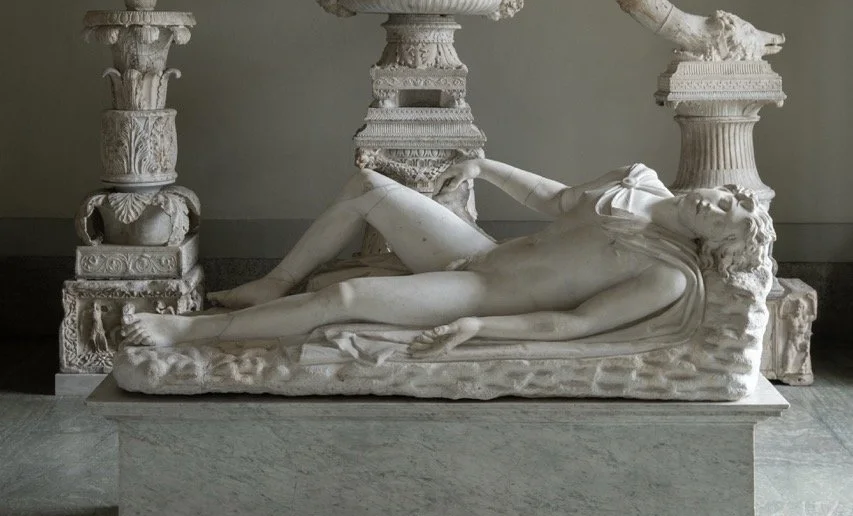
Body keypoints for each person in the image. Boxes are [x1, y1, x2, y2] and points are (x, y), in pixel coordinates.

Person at [122, 159, 771, 353]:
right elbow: (557, 199)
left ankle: (189, 333)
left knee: (344, 298)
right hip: (479, 255)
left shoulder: (664, 274)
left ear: (717, 246)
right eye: (725, 200)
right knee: (368, 187)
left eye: (726, 221)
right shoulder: (640, 184)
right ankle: (276, 281)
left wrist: (477, 326)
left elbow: (570, 325)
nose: (715, 208)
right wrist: (485, 167)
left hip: (480, 294)